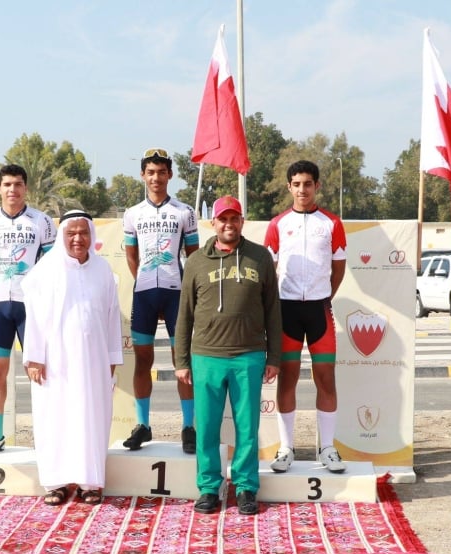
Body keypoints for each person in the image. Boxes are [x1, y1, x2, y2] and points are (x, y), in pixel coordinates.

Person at [174, 196, 281, 516]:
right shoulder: (195, 262)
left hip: (248, 355)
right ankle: (209, 487)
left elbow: (273, 310)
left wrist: (273, 355)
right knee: (206, 427)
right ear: (213, 223)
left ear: (242, 222)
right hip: (206, 356)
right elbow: (184, 315)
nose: (228, 224)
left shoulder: (259, 257)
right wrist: (181, 361)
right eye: (223, 219)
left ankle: (246, 487)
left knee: (247, 427)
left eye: (234, 219)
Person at [22, 210, 123, 506]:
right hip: (54, 362)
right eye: (71, 233)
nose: (78, 239)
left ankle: (90, 482)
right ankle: (55, 482)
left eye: (83, 233)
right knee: (55, 418)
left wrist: (113, 357)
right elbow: (35, 317)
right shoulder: (45, 271)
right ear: (62, 235)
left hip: (93, 361)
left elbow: (112, 316)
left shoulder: (103, 269)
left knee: (91, 418)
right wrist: (35, 357)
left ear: (91, 236)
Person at [264, 160, 347, 473]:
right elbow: (268, 271)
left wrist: (324, 295)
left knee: (326, 379)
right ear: (289, 187)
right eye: (296, 184)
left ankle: (327, 448)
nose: (302, 189)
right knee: (287, 379)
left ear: (317, 186)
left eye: (308, 184)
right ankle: (286, 448)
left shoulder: (332, 223)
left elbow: (338, 268)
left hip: (318, 310)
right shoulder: (278, 224)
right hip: (286, 310)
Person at [0, 165, 56, 454]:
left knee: (39, 372)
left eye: (18, 184)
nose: (12, 190)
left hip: (31, 307)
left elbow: (50, 267)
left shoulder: (42, 222)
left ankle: (49, 436)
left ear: (25, 188)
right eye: (7, 184)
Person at [122, 148, 200, 453]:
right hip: (144, 295)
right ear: (143, 175)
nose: (156, 178)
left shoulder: (184, 212)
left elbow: (193, 259)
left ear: (170, 175)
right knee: (143, 361)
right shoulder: (133, 214)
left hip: (175, 294)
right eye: (150, 172)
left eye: (161, 172)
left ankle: (189, 427)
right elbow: (132, 256)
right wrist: (144, 281)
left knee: (183, 362)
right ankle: (143, 425)